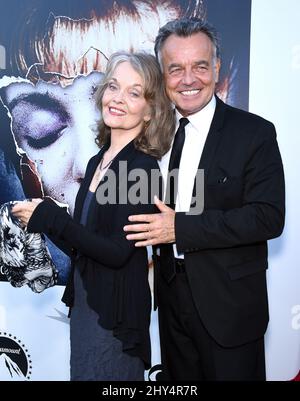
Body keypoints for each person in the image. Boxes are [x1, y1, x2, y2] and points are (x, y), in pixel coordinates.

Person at [124, 18, 285, 381]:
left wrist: (179, 228)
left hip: (229, 306)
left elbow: (268, 217)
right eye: (175, 68)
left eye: (200, 66)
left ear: (216, 68)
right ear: (162, 76)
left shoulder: (254, 133)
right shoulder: (150, 138)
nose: (189, 79)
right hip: (169, 301)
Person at [11, 51, 174, 381]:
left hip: (114, 321)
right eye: (113, 86)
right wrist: (40, 218)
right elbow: (85, 247)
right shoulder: (99, 160)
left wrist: (54, 220)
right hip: (86, 309)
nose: (117, 98)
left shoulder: (140, 167)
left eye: (134, 92)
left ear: (150, 109)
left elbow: (116, 252)